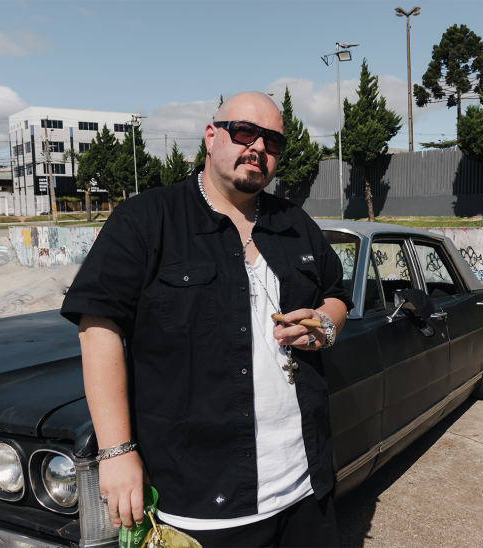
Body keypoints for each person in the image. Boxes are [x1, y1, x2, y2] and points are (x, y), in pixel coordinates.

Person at [61, 91, 353, 548]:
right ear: (211, 136)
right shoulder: (147, 219)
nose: (258, 147)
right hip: (196, 499)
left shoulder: (296, 224)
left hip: (303, 486)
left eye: (273, 141)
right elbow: (99, 328)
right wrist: (116, 452)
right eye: (245, 132)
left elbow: (337, 295)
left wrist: (324, 325)